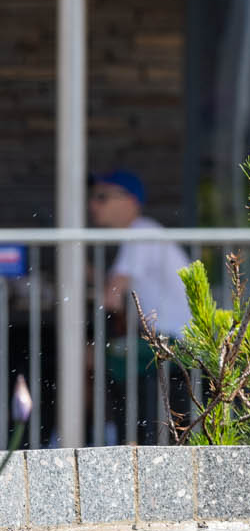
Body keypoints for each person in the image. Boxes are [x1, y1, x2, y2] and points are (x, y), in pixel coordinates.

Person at [92, 169, 192, 442]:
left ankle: (85, 437)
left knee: (87, 356)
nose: (93, 204)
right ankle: (113, 434)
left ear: (130, 201)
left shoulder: (142, 231)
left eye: (102, 197)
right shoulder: (141, 233)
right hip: (171, 340)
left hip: (177, 343)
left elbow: (110, 297)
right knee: (100, 354)